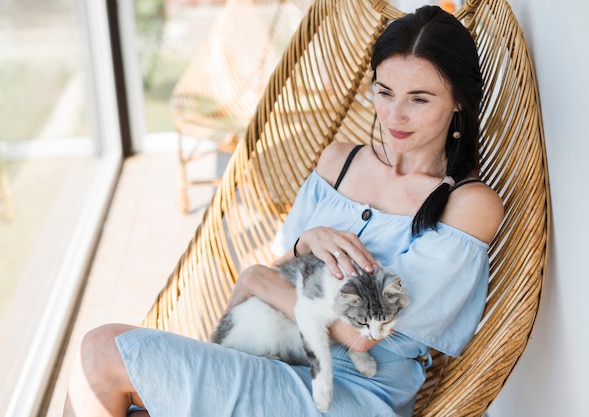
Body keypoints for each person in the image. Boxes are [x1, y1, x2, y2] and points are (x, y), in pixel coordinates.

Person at [63, 5, 504, 417]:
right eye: (385, 92)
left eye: (419, 99)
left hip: (350, 390)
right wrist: (303, 242)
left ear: (459, 101)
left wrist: (257, 277)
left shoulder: (467, 205)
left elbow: (361, 335)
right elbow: (282, 271)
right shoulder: (340, 161)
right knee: (101, 368)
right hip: (277, 355)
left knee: (102, 352)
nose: (394, 115)